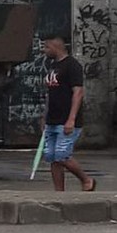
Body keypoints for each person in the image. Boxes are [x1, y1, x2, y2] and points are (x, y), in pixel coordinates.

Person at [41, 34, 96, 192]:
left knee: (61, 155)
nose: (45, 51)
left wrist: (71, 119)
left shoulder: (72, 66)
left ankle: (86, 180)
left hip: (67, 120)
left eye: (47, 47)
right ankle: (59, 192)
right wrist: (44, 117)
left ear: (55, 46)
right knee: (52, 157)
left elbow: (78, 92)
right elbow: (50, 94)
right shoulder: (53, 66)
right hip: (52, 119)